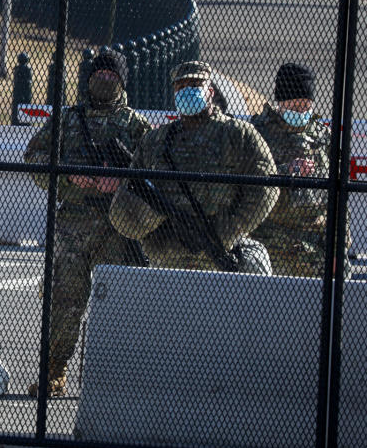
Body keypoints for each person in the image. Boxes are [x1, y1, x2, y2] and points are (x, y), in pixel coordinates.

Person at [23, 48, 152, 398]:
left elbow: (156, 177)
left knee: (117, 306)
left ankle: (109, 379)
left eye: (113, 77)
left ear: (123, 82)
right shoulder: (68, 120)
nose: (106, 82)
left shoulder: (137, 126)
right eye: (100, 75)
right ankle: (54, 372)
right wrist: (69, 177)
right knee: (65, 302)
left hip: (119, 227)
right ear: (89, 78)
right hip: (73, 227)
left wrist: (123, 181)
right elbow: (33, 156)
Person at [109, 60, 278, 274]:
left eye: (195, 85)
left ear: (211, 91)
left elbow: (268, 186)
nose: (187, 91)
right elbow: (130, 191)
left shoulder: (239, 134)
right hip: (168, 258)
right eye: (181, 87)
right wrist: (151, 220)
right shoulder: (155, 141)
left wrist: (232, 228)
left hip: (217, 251)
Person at [250, 63, 348, 278]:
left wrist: (340, 249)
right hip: (273, 240)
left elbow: (340, 198)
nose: (302, 112)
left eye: (306, 106)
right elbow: (248, 180)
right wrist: (287, 171)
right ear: (281, 102)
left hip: (316, 245)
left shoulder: (323, 138)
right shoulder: (258, 133)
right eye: (296, 107)